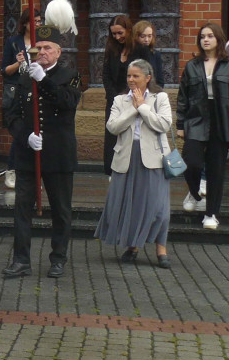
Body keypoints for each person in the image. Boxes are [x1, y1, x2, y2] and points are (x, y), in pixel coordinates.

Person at [2, 17, 81, 279]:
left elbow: (67, 102)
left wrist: (44, 80)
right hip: (28, 154)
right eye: (38, 48)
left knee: (60, 210)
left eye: (48, 48)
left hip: (58, 155)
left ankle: (58, 258)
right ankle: (21, 259)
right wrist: (25, 137)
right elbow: (10, 115)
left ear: (59, 51)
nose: (42, 53)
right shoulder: (25, 78)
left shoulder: (71, 76)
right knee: (22, 209)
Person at [94, 59, 172, 267]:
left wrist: (144, 108)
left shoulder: (160, 97)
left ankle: (161, 249)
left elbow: (163, 124)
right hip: (126, 157)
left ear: (148, 78)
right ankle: (132, 246)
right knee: (130, 203)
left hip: (153, 158)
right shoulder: (120, 100)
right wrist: (133, 109)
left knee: (158, 207)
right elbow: (113, 127)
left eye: (135, 76)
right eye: (129, 76)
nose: (131, 80)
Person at [177, 23, 229, 230]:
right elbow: (183, 97)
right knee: (192, 162)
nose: (205, 40)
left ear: (218, 39)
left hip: (222, 119)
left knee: (216, 170)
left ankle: (211, 214)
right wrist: (180, 124)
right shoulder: (192, 65)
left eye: (210, 36)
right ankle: (194, 191)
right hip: (196, 118)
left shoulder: (227, 64)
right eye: (202, 37)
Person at [1, 8, 42, 189]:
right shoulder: (13, 42)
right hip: (17, 92)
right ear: (25, 23)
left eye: (40, 21)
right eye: (35, 21)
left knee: (35, 132)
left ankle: (36, 173)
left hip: (36, 91)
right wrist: (18, 63)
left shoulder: (42, 43)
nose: (38, 24)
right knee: (20, 133)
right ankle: (11, 170)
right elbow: (4, 71)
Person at [102, 14, 133, 176]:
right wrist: (115, 97)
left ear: (128, 30)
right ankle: (110, 171)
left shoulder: (136, 49)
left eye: (120, 33)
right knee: (112, 136)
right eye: (114, 34)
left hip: (133, 99)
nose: (117, 37)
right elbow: (105, 76)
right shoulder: (111, 49)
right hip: (114, 100)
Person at [129, 20, 165, 88]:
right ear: (136, 36)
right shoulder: (130, 53)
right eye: (143, 36)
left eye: (149, 36)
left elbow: (160, 80)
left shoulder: (155, 54)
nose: (146, 40)